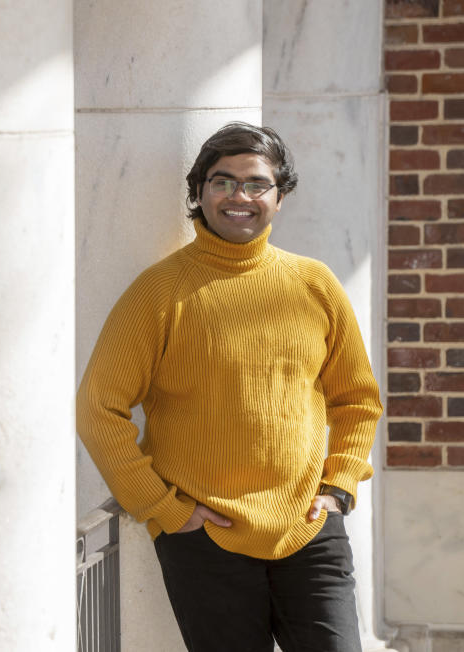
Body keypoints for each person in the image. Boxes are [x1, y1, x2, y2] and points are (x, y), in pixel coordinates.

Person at [76, 122, 382, 652]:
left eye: (256, 183)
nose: (239, 196)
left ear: (279, 196)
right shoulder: (158, 292)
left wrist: (338, 486)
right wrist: (166, 510)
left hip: (309, 529)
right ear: (199, 193)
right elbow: (98, 409)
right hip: (204, 539)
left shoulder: (315, 283)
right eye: (222, 182)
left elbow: (357, 398)